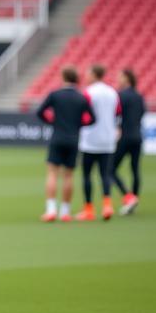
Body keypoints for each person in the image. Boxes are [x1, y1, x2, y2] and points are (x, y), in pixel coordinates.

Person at [36, 66, 94, 222]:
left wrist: (52, 122)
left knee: (52, 173)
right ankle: (65, 212)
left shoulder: (55, 95)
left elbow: (40, 112)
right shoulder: (81, 97)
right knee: (68, 175)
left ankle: (51, 210)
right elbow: (92, 118)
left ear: (63, 78)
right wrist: (78, 125)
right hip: (73, 139)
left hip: (58, 136)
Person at [77, 64, 120, 221]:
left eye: (88, 73)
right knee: (105, 174)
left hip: (90, 139)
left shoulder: (89, 92)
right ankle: (107, 205)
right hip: (108, 139)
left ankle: (88, 208)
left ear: (94, 74)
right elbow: (118, 113)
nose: (86, 76)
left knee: (87, 174)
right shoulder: (112, 92)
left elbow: (84, 114)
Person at [112, 68, 146, 215]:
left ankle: (128, 197)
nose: (118, 80)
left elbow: (116, 114)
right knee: (135, 169)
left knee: (110, 169)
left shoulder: (120, 96)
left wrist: (118, 129)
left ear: (127, 78)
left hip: (125, 136)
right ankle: (134, 199)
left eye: (120, 77)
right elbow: (142, 113)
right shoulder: (139, 96)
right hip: (137, 136)